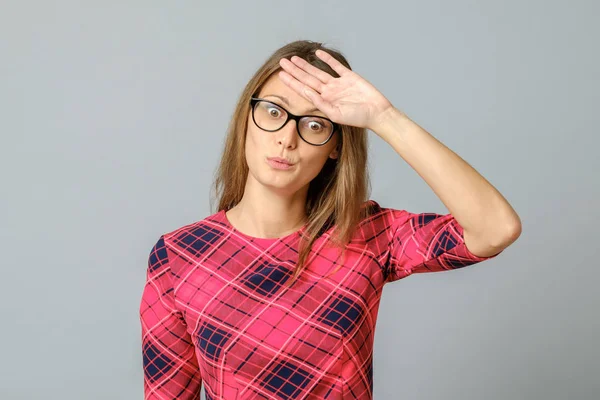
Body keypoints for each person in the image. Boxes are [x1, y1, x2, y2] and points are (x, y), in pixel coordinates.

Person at [139, 40, 521, 400]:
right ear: (246, 120)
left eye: (314, 125)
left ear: (336, 146)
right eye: (273, 111)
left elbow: (495, 229)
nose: (287, 139)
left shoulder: (367, 234)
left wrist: (385, 118)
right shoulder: (180, 256)